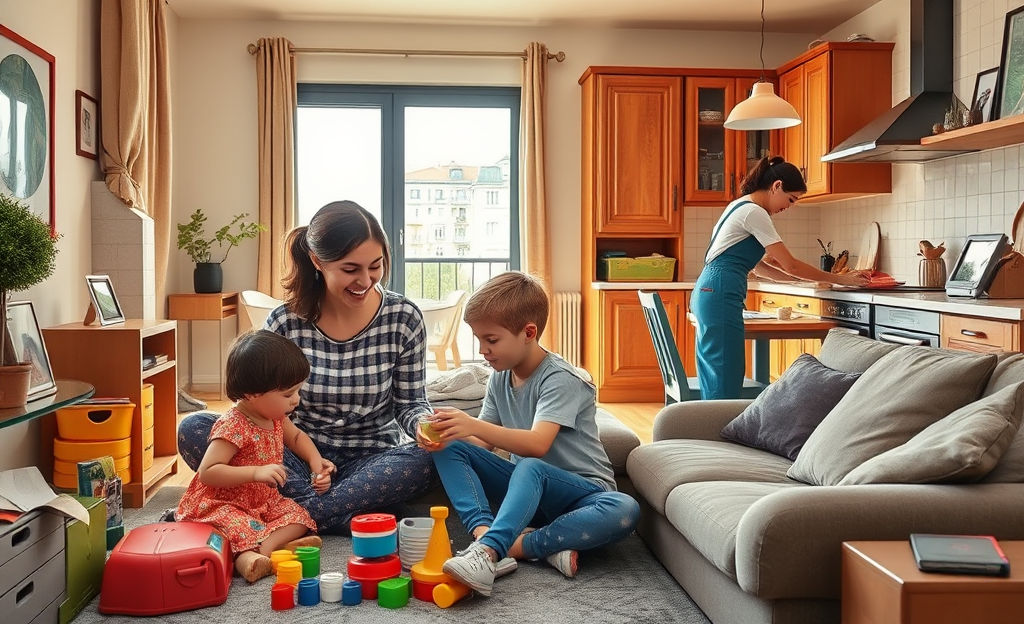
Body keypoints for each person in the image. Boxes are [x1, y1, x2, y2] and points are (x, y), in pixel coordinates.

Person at [178, 200, 437, 533]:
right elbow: (254, 404)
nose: (366, 279)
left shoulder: (404, 317)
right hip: (293, 458)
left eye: (376, 265)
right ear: (317, 261)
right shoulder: (285, 322)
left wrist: (424, 426)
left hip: (371, 459)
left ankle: (299, 512)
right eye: (350, 269)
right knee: (195, 427)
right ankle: (345, 513)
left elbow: (411, 402)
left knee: (428, 459)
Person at [418, 271, 640, 597]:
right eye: (479, 340)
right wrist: (449, 432)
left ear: (528, 332)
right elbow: (485, 442)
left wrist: (473, 424)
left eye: (491, 340)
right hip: (530, 497)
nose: (483, 350)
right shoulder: (499, 378)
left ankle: (504, 547)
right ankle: (486, 538)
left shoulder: (561, 378)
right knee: (449, 449)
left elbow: (538, 445)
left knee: (625, 510)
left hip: (584, 496)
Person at [690, 156, 870, 400]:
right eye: (790, 199)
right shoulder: (754, 212)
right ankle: (718, 431)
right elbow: (791, 264)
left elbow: (760, 268)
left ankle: (710, 427)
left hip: (711, 289)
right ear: (776, 186)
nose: (789, 206)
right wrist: (842, 280)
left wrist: (801, 280)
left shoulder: (740, 206)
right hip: (720, 289)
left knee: (719, 368)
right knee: (725, 369)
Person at [175, 330, 327, 583]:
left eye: (298, 391)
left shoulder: (275, 416)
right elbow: (209, 471)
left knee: (299, 516)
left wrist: (315, 462)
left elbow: (298, 438)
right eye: (288, 394)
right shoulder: (234, 425)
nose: (296, 400)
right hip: (226, 503)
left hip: (262, 500)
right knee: (235, 527)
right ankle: (247, 558)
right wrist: (255, 472)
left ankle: (269, 546)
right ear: (251, 395)